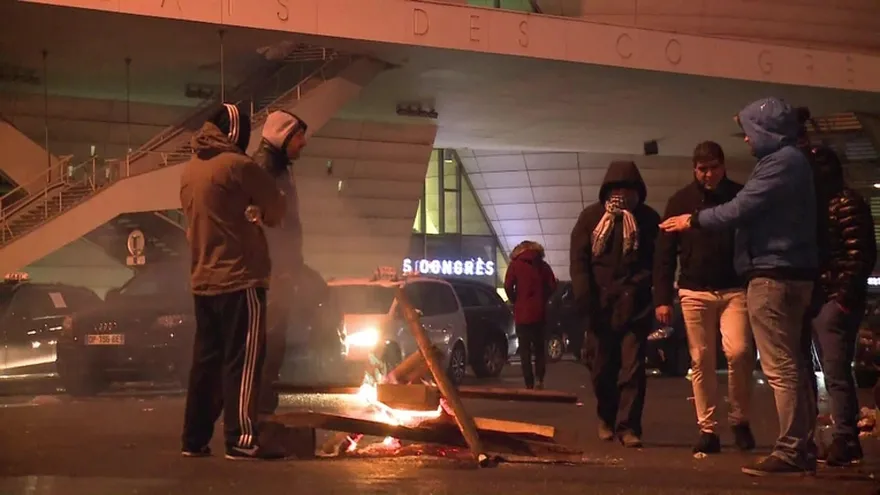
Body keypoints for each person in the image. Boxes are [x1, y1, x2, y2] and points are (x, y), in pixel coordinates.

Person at [660, 97, 819, 476]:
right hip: (792, 273)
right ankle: (802, 444)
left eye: (749, 132)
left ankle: (791, 449)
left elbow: (740, 207)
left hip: (774, 274)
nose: (747, 141)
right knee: (790, 364)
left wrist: (692, 221)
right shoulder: (794, 161)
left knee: (778, 367)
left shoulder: (780, 163)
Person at [179, 103, 286, 460]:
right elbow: (276, 208)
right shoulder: (240, 166)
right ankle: (242, 440)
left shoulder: (191, 170)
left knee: (205, 363)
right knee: (243, 362)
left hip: (203, 280)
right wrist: (259, 212)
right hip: (241, 279)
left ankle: (194, 439)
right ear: (237, 132)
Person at [654, 141, 755, 454]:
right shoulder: (680, 200)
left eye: (713, 168)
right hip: (694, 289)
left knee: (738, 353)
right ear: (694, 169)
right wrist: (662, 298)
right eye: (702, 169)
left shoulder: (739, 197)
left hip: (734, 288)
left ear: (723, 166)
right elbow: (665, 253)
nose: (708, 175)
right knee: (701, 360)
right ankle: (708, 428)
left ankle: (739, 419)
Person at [570, 160, 660, 448]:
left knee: (632, 370)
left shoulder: (647, 220)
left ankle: (629, 426)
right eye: (617, 188)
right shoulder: (591, 218)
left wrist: (649, 292)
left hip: (636, 306)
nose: (623, 193)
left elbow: (658, 262)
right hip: (601, 307)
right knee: (601, 369)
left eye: (629, 188)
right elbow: (580, 260)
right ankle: (606, 418)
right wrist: (585, 296)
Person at [805, 145, 876, 466]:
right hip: (832, 296)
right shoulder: (833, 203)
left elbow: (858, 254)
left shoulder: (841, 203)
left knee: (835, 370)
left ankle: (845, 437)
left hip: (834, 297)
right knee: (834, 370)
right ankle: (844, 438)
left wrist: (842, 299)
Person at [251, 110, 309, 415]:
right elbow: (268, 226)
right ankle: (258, 413)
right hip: (272, 275)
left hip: (280, 272)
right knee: (267, 344)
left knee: (273, 344)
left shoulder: (280, 168)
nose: (303, 143)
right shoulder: (264, 170)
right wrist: (280, 269)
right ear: (283, 136)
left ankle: (262, 409)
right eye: (298, 136)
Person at [504, 240, 558, 390]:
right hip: (540, 313)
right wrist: (543, 297)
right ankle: (540, 378)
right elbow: (553, 286)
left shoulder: (515, 265)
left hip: (522, 314)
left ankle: (529, 383)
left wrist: (516, 299)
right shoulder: (543, 266)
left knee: (525, 350)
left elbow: (508, 286)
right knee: (540, 348)